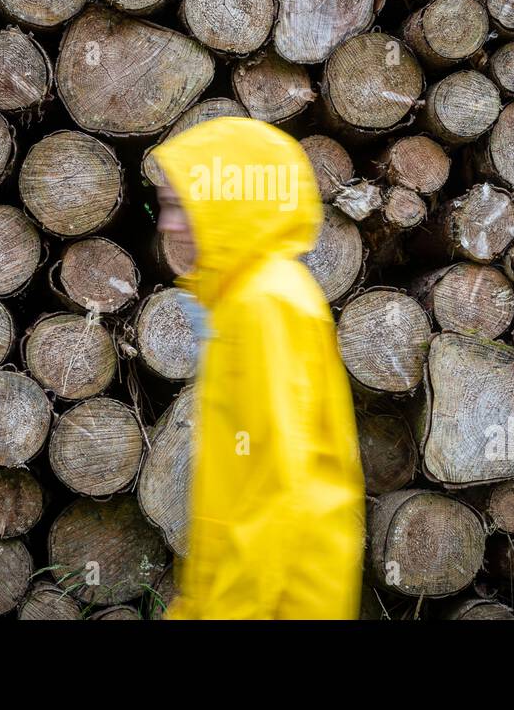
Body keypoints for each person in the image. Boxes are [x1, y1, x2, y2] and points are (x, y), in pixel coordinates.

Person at [151, 116, 365, 620]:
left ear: (230, 203)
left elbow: (275, 486)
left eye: (181, 206)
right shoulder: (249, 297)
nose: (168, 226)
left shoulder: (264, 303)